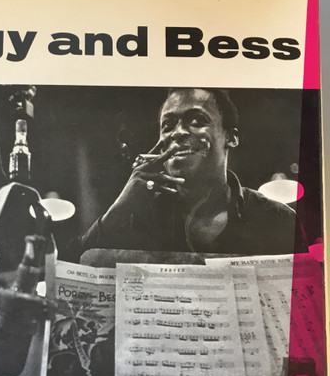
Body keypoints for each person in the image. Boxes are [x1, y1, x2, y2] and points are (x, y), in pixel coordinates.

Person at [67, 88, 307, 261]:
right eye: (168, 125)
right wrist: (117, 212)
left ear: (231, 137)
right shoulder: (130, 217)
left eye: (197, 120)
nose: (178, 132)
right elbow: (66, 272)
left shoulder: (278, 219)